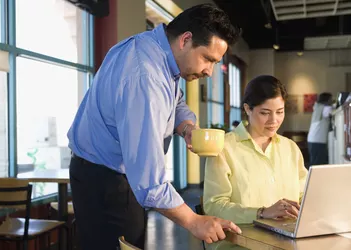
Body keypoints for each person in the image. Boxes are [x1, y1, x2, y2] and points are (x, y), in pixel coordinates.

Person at [67, 4, 241, 250]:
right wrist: (194, 221)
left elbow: (175, 99)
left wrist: (187, 127)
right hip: (107, 183)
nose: (209, 72)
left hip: (103, 172)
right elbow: (150, 182)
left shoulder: (153, 49)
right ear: (186, 40)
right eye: (207, 59)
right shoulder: (145, 80)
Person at [203, 75, 308, 250]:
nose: (274, 120)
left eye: (280, 111)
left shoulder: (290, 148)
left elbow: (304, 195)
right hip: (240, 244)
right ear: (248, 109)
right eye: (265, 113)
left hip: (286, 243)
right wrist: (261, 213)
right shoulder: (225, 148)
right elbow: (213, 206)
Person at [307, 92, 333, 166]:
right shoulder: (325, 108)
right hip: (318, 140)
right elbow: (335, 111)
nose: (331, 101)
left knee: (316, 163)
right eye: (331, 99)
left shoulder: (318, 107)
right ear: (327, 100)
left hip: (314, 140)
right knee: (318, 164)